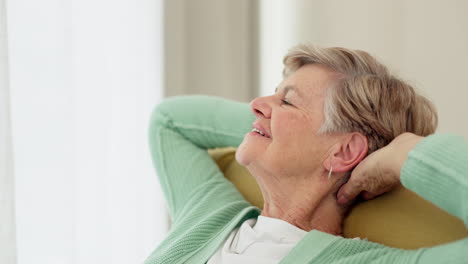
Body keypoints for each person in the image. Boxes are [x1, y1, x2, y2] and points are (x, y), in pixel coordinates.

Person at [144, 44, 467, 264]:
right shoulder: (208, 215)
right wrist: (269, 126)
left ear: (344, 151)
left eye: (287, 102)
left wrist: (405, 153)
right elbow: (170, 120)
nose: (257, 104)